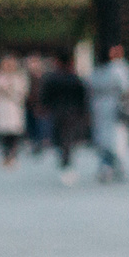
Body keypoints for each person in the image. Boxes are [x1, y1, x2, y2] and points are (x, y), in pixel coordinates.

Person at [38, 56, 90, 184]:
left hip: (57, 112)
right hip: (72, 112)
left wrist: (44, 107)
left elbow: (46, 96)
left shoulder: (53, 78)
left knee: (60, 136)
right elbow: (83, 97)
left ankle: (64, 158)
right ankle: (66, 157)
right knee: (68, 136)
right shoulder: (75, 79)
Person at [89, 44, 129, 182]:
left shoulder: (101, 70)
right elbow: (128, 87)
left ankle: (109, 166)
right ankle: (113, 166)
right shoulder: (118, 68)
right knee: (114, 137)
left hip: (105, 106)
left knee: (109, 138)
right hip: (111, 105)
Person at [0, 55, 28, 167]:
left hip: (13, 106)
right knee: (2, 132)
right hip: (1, 106)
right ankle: (5, 156)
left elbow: (22, 92)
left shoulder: (19, 76)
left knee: (14, 133)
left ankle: (13, 155)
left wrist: (9, 89)